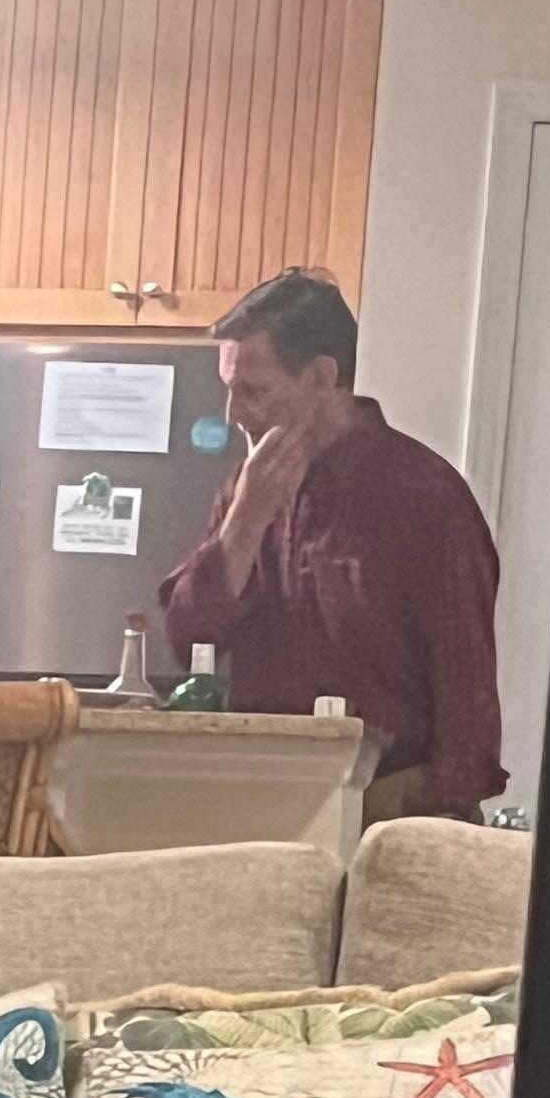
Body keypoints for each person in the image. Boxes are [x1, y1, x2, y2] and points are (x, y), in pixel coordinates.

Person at [159, 269, 505, 819]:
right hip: (260, 798)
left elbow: (467, 692)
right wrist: (244, 522)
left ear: (322, 377)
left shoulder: (425, 495)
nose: (233, 415)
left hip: (391, 801)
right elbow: (187, 640)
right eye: (229, 390)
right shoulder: (244, 490)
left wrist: (431, 816)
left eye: (253, 391)